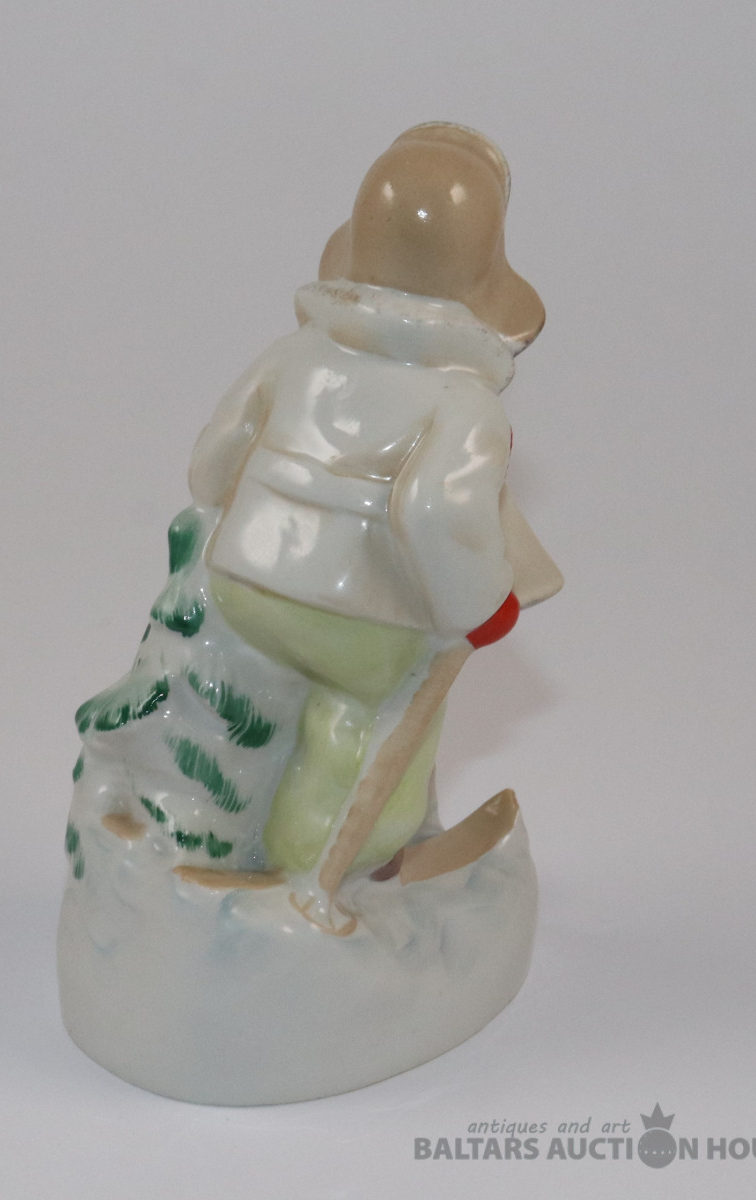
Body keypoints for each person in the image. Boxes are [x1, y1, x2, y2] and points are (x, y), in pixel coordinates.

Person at [187, 123, 562, 883]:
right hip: (358, 615)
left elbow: (212, 462)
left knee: (306, 691)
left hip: (243, 580)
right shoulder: (462, 400)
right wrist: (476, 603)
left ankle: (240, 826)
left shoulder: (295, 352)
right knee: (370, 719)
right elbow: (431, 513)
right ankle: (323, 872)